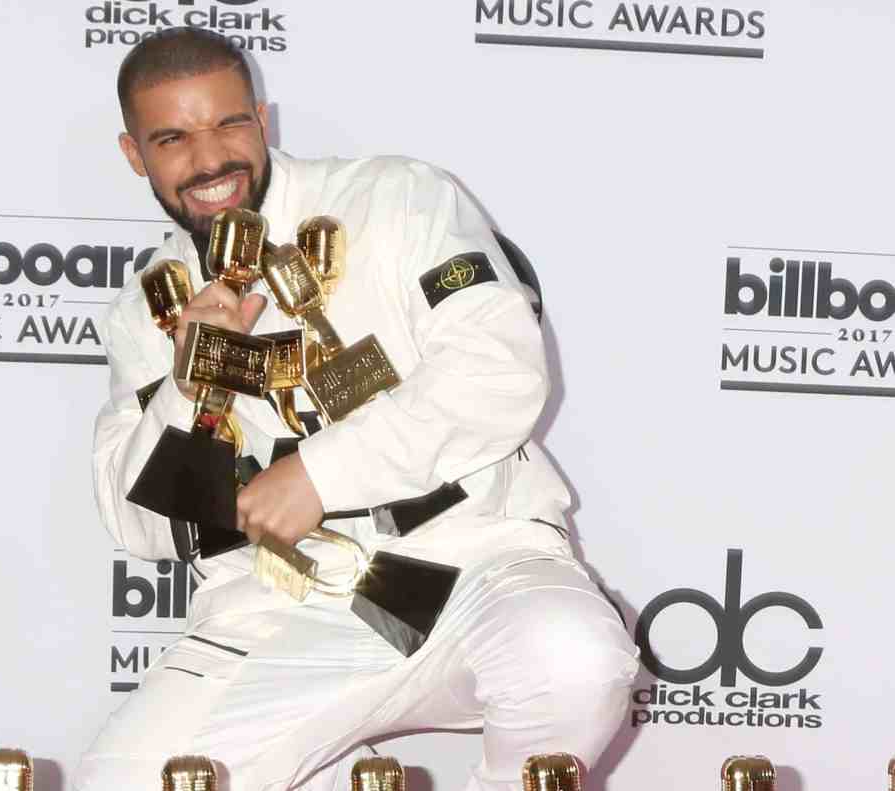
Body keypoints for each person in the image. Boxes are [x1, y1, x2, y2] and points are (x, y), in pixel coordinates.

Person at [76, 27, 638, 791]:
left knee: (573, 657)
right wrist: (190, 381)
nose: (210, 161)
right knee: (123, 781)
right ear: (134, 155)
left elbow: (497, 369)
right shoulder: (149, 309)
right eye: (172, 138)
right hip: (288, 607)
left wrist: (319, 472)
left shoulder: (393, 198)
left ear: (262, 121)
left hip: (467, 557)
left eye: (229, 124)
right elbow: (141, 523)